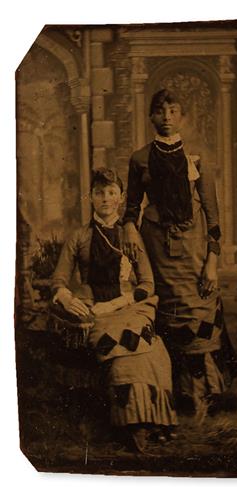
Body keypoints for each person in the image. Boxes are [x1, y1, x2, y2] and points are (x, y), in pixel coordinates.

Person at [122, 89, 237, 416]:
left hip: (194, 249)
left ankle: (204, 396)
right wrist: (130, 227)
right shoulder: (139, 159)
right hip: (156, 249)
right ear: (151, 117)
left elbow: (213, 216)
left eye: (173, 111)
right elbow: (131, 208)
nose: (167, 117)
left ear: (182, 116)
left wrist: (212, 263)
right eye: (160, 111)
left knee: (197, 313)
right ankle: (174, 396)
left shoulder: (198, 156)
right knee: (166, 318)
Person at [51, 167, 178, 452]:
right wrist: (64, 293)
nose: (105, 199)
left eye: (111, 193)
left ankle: (153, 420)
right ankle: (131, 424)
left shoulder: (130, 236)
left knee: (154, 350)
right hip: (95, 310)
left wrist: (119, 302)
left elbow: (147, 283)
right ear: (91, 198)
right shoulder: (80, 236)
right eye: (99, 193)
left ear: (121, 198)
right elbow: (59, 278)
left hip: (130, 307)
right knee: (121, 352)